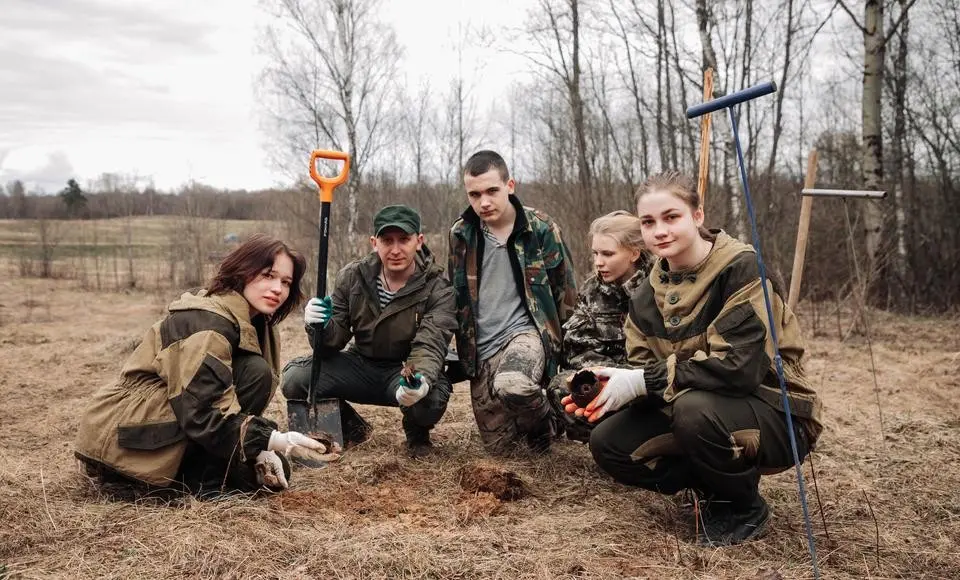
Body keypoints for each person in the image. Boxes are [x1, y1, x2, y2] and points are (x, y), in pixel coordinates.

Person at [566, 172, 822, 546]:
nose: (660, 231)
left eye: (672, 217)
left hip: (777, 412)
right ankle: (713, 488)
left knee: (693, 411)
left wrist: (642, 381)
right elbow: (644, 366)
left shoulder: (740, 269)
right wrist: (615, 388)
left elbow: (740, 369)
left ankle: (743, 506)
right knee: (607, 442)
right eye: (649, 222)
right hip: (699, 406)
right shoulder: (645, 292)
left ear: (698, 215)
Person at [75, 234, 335, 497]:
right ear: (242, 272)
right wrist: (275, 439)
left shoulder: (259, 323)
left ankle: (203, 475)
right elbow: (202, 411)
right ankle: (201, 484)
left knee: (271, 476)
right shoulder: (207, 322)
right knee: (256, 373)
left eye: (286, 282)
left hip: (175, 420)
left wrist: (261, 450)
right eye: (268, 275)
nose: (278, 288)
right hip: (126, 434)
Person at [282, 205, 456, 458]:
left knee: (428, 400)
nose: (395, 250)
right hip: (360, 364)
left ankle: (417, 434)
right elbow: (332, 342)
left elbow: (430, 344)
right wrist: (317, 325)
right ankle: (353, 429)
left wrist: (419, 382)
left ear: (419, 241)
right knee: (295, 379)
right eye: (387, 240)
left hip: (406, 369)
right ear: (374, 243)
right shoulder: (352, 277)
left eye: (404, 240)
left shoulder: (439, 289)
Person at [449, 150, 578, 454]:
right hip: (482, 347)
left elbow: (566, 293)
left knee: (514, 385)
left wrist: (567, 359)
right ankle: (530, 417)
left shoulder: (542, 228)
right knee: (500, 449)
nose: (484, 202)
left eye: (492, 191)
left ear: (510, 185)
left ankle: (549, 420)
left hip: (526, 334)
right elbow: (458, 296)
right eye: (475, 194)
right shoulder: (461, 233)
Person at [547, 210, 650, 443]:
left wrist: (630, 379)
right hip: (607, 378)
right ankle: (606, 441)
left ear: (634, 253)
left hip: (649, 384)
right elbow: (576, 349)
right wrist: (600, 376)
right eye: (595, 253)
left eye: (607, 254)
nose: (598, 262)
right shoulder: (593, 290)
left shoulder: (660, 285)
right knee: (561, 386)